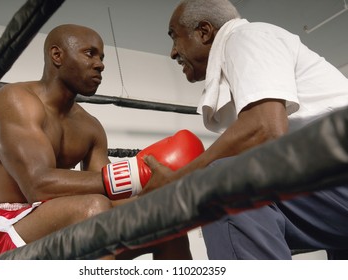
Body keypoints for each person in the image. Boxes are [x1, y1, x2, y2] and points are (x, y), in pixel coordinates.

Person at [0, 24, 193, 260]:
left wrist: (156, 188)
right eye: (90, 53)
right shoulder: (15, 101)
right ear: (57, 55)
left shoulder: (89, 126)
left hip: (48, 222)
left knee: (167, 222)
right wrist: (135, 176)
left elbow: (112, 194)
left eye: (101, 57)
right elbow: (38, 185)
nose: (100, 64)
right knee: (92, 208)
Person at [143, 0, 348, 259]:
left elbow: (265, 129)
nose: (172, 53)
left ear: (204, 32)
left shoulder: (246, 37)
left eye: (175, 37)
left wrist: (180, 180)